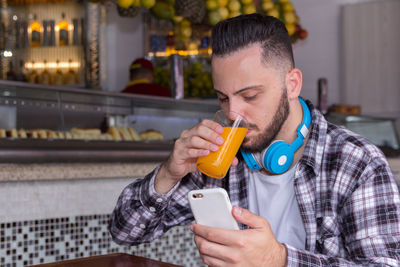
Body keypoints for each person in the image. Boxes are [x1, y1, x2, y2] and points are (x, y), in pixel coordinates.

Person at [109, 14, 400, 266]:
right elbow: (124, 232)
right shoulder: (218, 158)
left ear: (292, 84)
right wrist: (169, 173)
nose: (234, 113)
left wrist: (280, 261)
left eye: (250, 96)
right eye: (223, 97)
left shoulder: (357, 163)